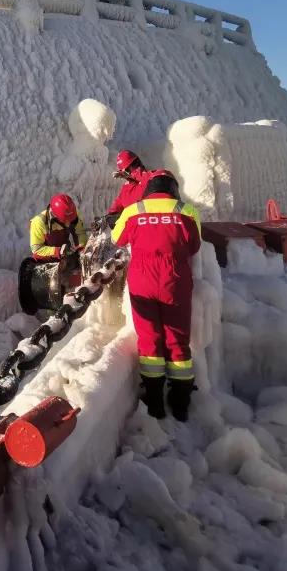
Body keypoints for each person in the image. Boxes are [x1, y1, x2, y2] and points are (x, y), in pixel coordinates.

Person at [110, 171, 201, 421]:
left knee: (149, 339)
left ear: (149, 189)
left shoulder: (133, 211)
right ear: (173, 189)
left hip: (142, 281)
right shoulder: (187, 211)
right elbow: (194, 246)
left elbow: (117, 238)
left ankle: (154, 401)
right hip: (175, 282)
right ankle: (180, 403)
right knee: (177, 339)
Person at [29, 193, 87, 262]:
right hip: (46, 260)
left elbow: (80, 233)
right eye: (65, 221)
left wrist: (81, 247)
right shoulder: (38, 222)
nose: (68, 224)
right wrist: (58, 251)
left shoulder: (72, 214)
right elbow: (37, 250)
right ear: (55, 216)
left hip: (66, 256)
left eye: (70, 220)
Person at [106, 150, 151, 220]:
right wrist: (107, 218)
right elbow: (115, 209)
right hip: (133, 225)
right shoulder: (126, 190)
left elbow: (147, 178)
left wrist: (132, 175)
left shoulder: (152, 180)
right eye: (130, 168)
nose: (138, 168)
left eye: (136, 163)